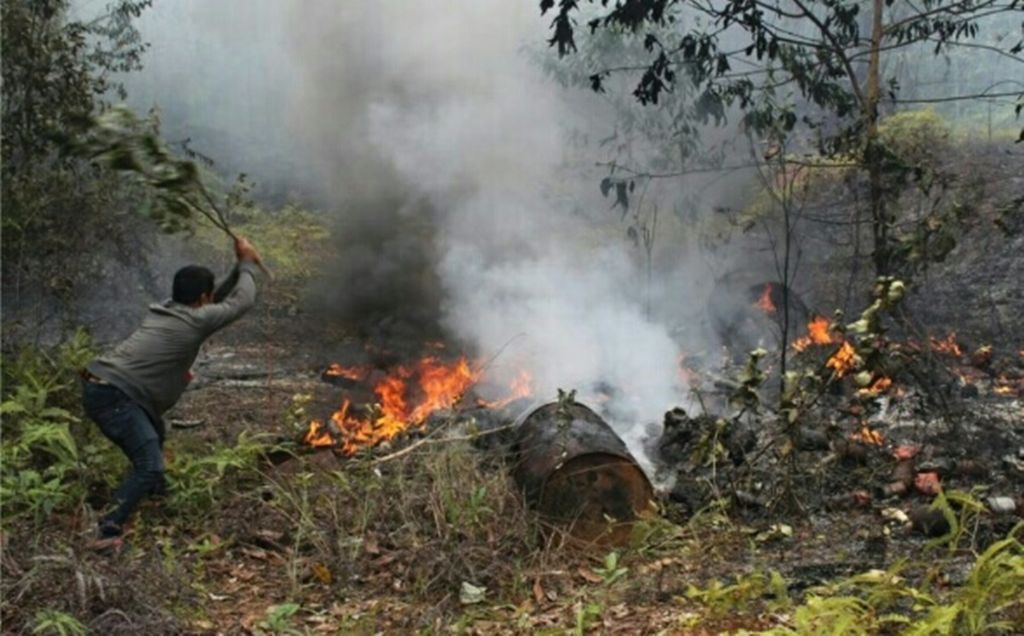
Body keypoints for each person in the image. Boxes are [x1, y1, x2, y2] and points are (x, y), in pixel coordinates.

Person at [81, 237, 264, 553]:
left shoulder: (168, 308)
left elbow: (215, 299)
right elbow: (242, 302)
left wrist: (237, 266)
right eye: (208, 296)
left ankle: (156, 499)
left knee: (156, 432)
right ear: (203, 298)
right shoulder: (197, 319)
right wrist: (248, 264)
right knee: (149, 464)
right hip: (116, 396)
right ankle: (107, 531)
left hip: (105, 387)